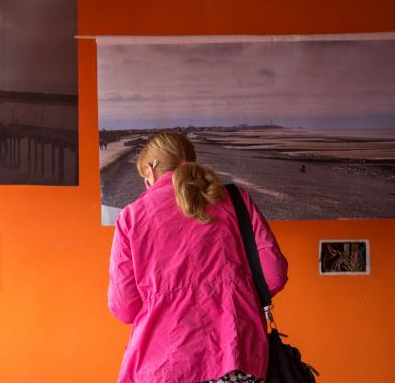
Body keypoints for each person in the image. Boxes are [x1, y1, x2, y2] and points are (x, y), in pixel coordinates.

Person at [108, 131, 288, 383]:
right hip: (237, 358)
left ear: (150, 170)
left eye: (144, 178)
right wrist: (233, 297)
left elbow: (124, 307)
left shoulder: (132, 217)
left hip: (163, 365)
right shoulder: (236, 200)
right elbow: (273, 274)